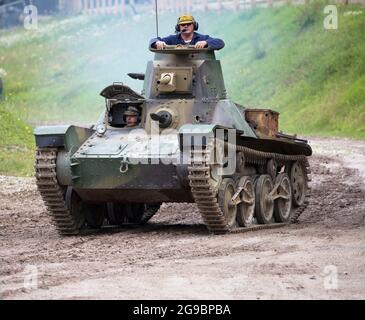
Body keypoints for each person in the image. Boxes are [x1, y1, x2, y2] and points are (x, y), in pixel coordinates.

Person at [150, 14, 225, 51]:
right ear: (178, 27)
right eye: (182, 24)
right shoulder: (172, 39)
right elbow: (153, 41)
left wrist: (206, 43)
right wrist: (157, 42)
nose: (186, 26)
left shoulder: (202, 38)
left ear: (194, 26)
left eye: (188, 24)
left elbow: (220, 43)